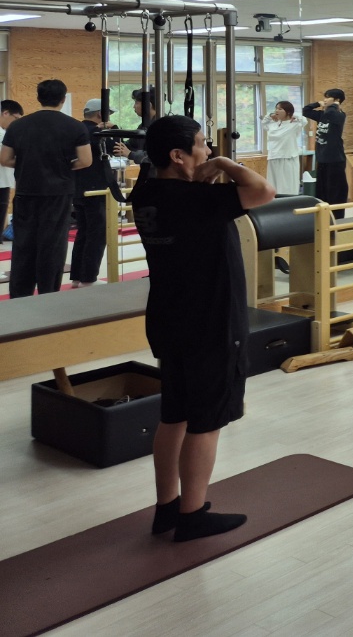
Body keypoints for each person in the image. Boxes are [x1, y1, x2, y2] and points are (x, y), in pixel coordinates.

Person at [131, 114, 275, 541]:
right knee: (205, 421)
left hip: (169, 318)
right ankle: (192, 515)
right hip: (211, 321)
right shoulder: (198, 200)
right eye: (202, 144)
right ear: (178, 156)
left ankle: (167, 508)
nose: (208, 150)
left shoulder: (146, 193)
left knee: (174, 414)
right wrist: (227, 163)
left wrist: (207, 169)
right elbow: (263, 191)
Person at [0, 79, 91, 298]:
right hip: (58, 194)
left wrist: (27, 164)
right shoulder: (75, 126)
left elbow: (5, 158)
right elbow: (85, 160)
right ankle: (48, 294)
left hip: (26, 192)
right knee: (52, 245)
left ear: (38, 98)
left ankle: (20, 296)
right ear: (63, 99)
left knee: (23, 245)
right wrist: (61, 166)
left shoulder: (18, 126)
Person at [71, 98, 115, 287]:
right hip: (96, 190)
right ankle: (89, 278)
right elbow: (115, 148)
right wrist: (114, 130)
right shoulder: (99, 132)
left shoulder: (76, 130)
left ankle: (77, 277)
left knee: (83, 232)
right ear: (100, 114)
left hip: (77, 188)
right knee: (97, 234)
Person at [304, 89, 348, 217]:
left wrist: (333, 105)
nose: (324, 100)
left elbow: (330, 113)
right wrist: (317, 104)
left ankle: (337, 216)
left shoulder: (339, 114)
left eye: (328, 97)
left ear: (337, 100)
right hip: (322, 158)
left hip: (335, 159)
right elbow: (305, 111)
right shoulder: (322, 115)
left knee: (335, 190)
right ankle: (324, 216)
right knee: (322, 190)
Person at [261, 100, 305, 197]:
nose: (277, 111)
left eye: (280, 109)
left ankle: (289, 202)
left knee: (287, 185)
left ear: (288, 112)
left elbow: (304, 120)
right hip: (273, 157)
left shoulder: (294, 124)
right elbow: (264, 123)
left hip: (288, 158)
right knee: (273, 184)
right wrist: (270, 115)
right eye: (276, 108)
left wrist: (294, 115)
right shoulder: (273, 124)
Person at [0, 99, 23, 243]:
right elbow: (5, 159)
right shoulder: (3, 135)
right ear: (5, 113)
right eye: (16, 119)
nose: (16, 123)